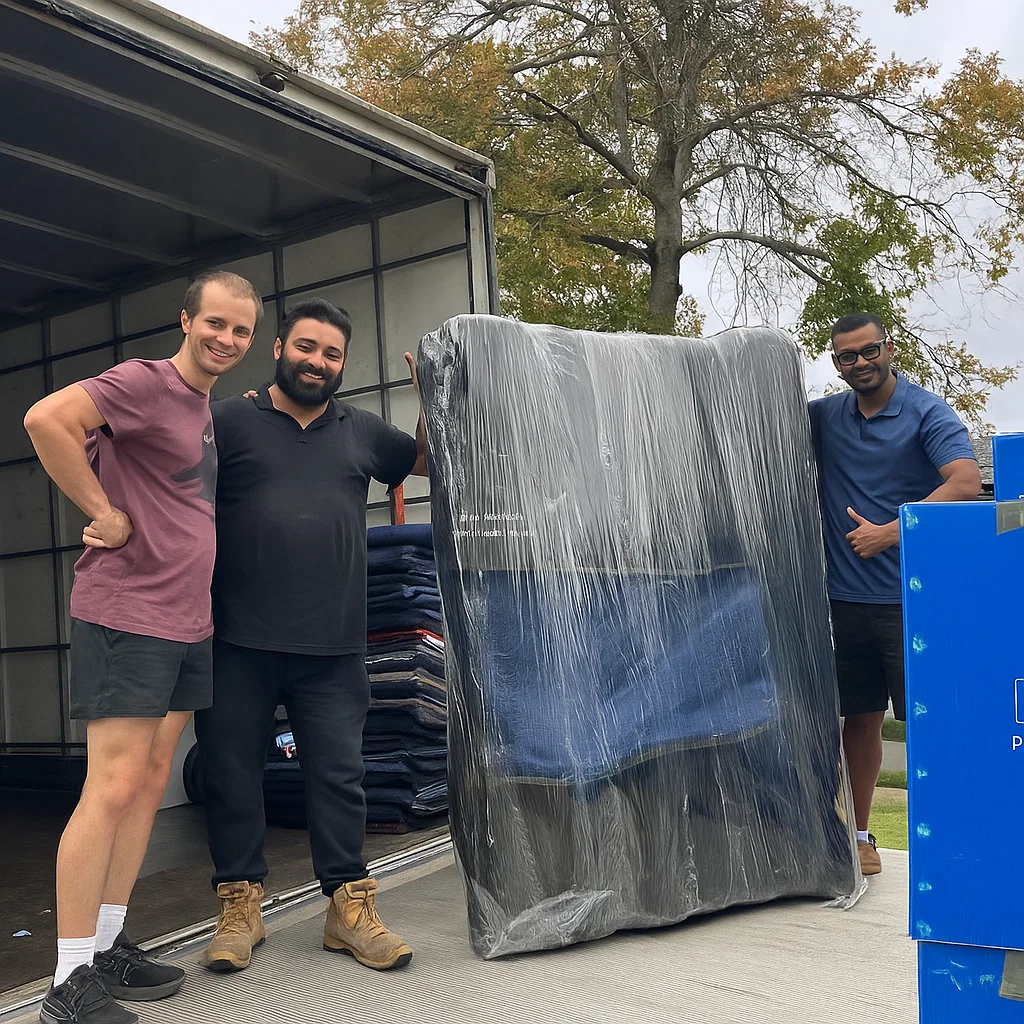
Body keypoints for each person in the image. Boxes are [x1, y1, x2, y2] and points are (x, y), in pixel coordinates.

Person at [23, 271, 263, 1024]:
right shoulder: (145, 382)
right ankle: (66, 981)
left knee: (151, 782)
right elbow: (45, 420)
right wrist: (104, 511)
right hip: (129, 612)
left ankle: (106, 944)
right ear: (186, 319)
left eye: (242, 331)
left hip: (187, 621)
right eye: (215, 323)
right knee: (113, 787)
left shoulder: (203, 410)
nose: (226, 339)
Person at [194, 297, 427, 976]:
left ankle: (346, 908)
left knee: (339, 777)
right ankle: (240, 906)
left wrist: (431, 403)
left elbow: (426, 464)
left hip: (332, 646)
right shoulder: (229, 420)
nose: (317, 361)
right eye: (306, 347)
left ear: (342, 364)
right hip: (237, 640)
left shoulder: (361, 430)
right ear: (278, 348)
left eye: (330, 353)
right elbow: (169, 487)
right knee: (232, 775)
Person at [810, 312, 981, 876]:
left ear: (890, 349)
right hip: (844, 601)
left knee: (929, 722)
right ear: (836, 364)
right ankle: (861, 838)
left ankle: (956, 848)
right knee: (858, 719)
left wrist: (892, 530)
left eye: (868, 351)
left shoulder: (927, 412)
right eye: (846, 357)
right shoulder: (827, 416)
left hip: (913, 601)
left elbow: (963, 481)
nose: (860, 363)